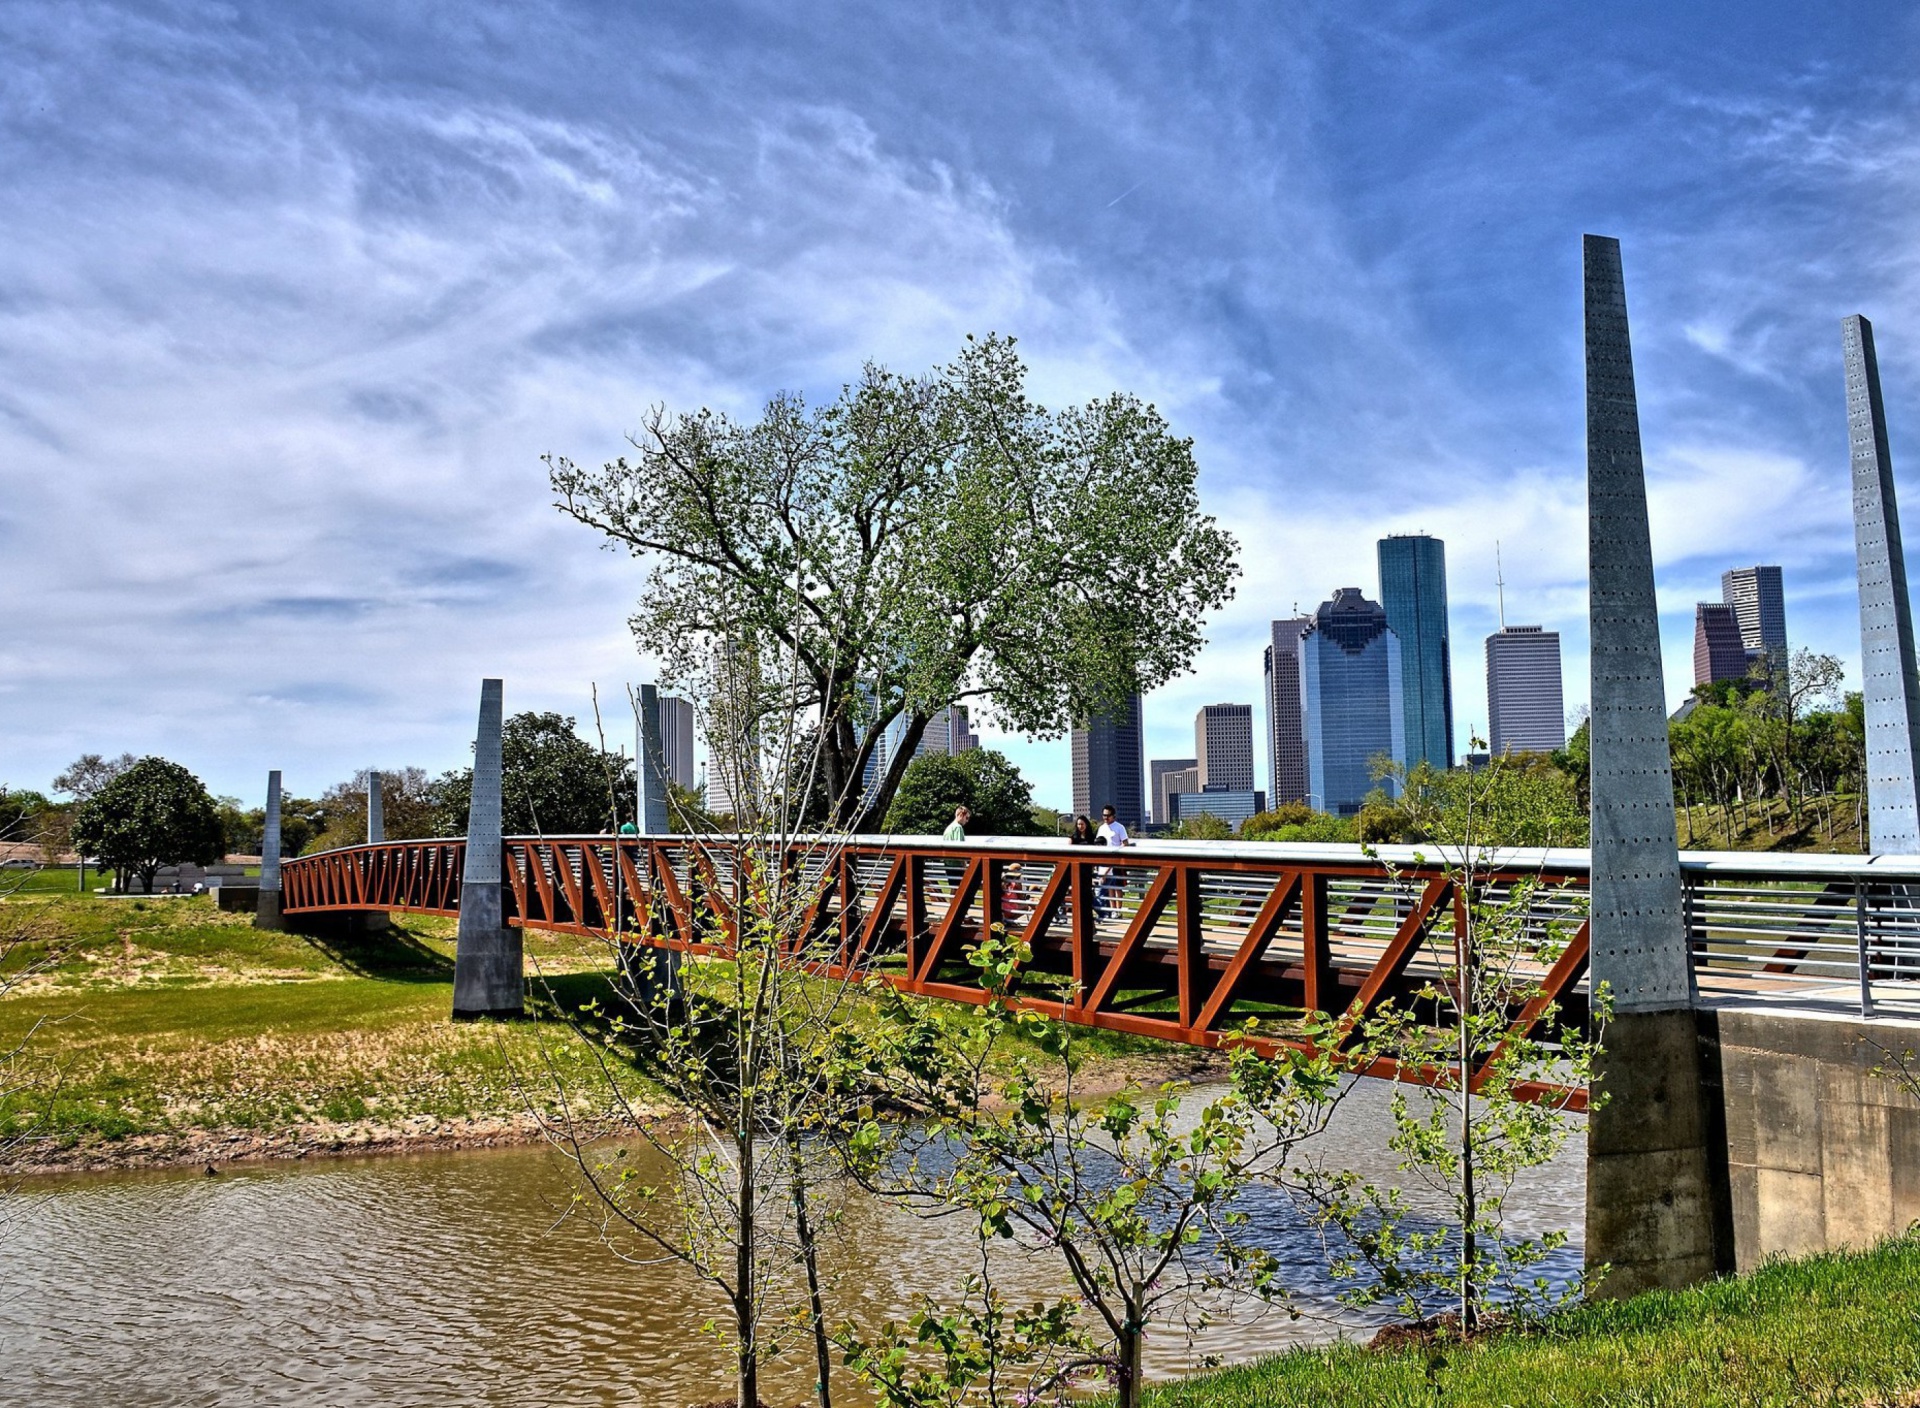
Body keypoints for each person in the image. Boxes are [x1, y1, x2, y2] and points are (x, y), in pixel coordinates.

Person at [1095, 804, 1129, 920]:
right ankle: (1111, 909)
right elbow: (1098, 843)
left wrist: (1119, 851)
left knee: (1118, 886)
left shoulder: (1120, 827)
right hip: (1104, 860)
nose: (1105, 818)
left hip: (1117, 860)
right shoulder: (1101, 828)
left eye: (1108, 815)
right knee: (1109, 887)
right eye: (1104, 815)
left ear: (1113, 816)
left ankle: (1118, 910)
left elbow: (1125, 843)